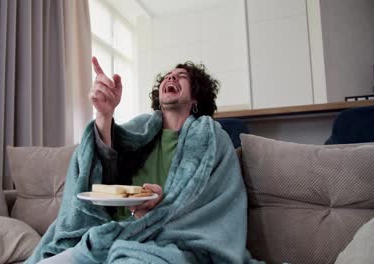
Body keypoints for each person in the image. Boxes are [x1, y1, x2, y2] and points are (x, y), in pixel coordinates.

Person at [26, 57, 253, 264]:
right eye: (168, 76)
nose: (171, 77)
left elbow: (214, 206)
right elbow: (100, 171)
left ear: (195, 97)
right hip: (109, 234)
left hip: (167, 242)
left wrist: (160, 208)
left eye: (181, 76)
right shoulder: (139, 129)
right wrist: (104, 115)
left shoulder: (211, 137)